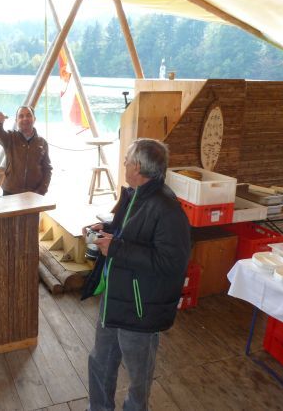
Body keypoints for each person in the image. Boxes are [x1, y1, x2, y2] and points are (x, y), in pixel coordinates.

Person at [81, 138, 191, 411]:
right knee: (100, 361)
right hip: (115, 298)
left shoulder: (167, 209)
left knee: (138, 377)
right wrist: (108, 229)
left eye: (128, 160)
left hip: (140, 309)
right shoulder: (134, 195)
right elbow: (131, 233)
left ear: (138, 167)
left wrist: (116, 248)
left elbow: (171, 262)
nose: (124, 163)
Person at [0, 105, 52, 195]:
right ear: (16, 121)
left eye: (28, 115)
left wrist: (42, 190)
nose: (25, 118)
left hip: (34, 194)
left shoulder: (42, 142)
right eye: (21, 116)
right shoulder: (9, 137)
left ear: (34, 119)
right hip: (10, 192)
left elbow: (47, 169)